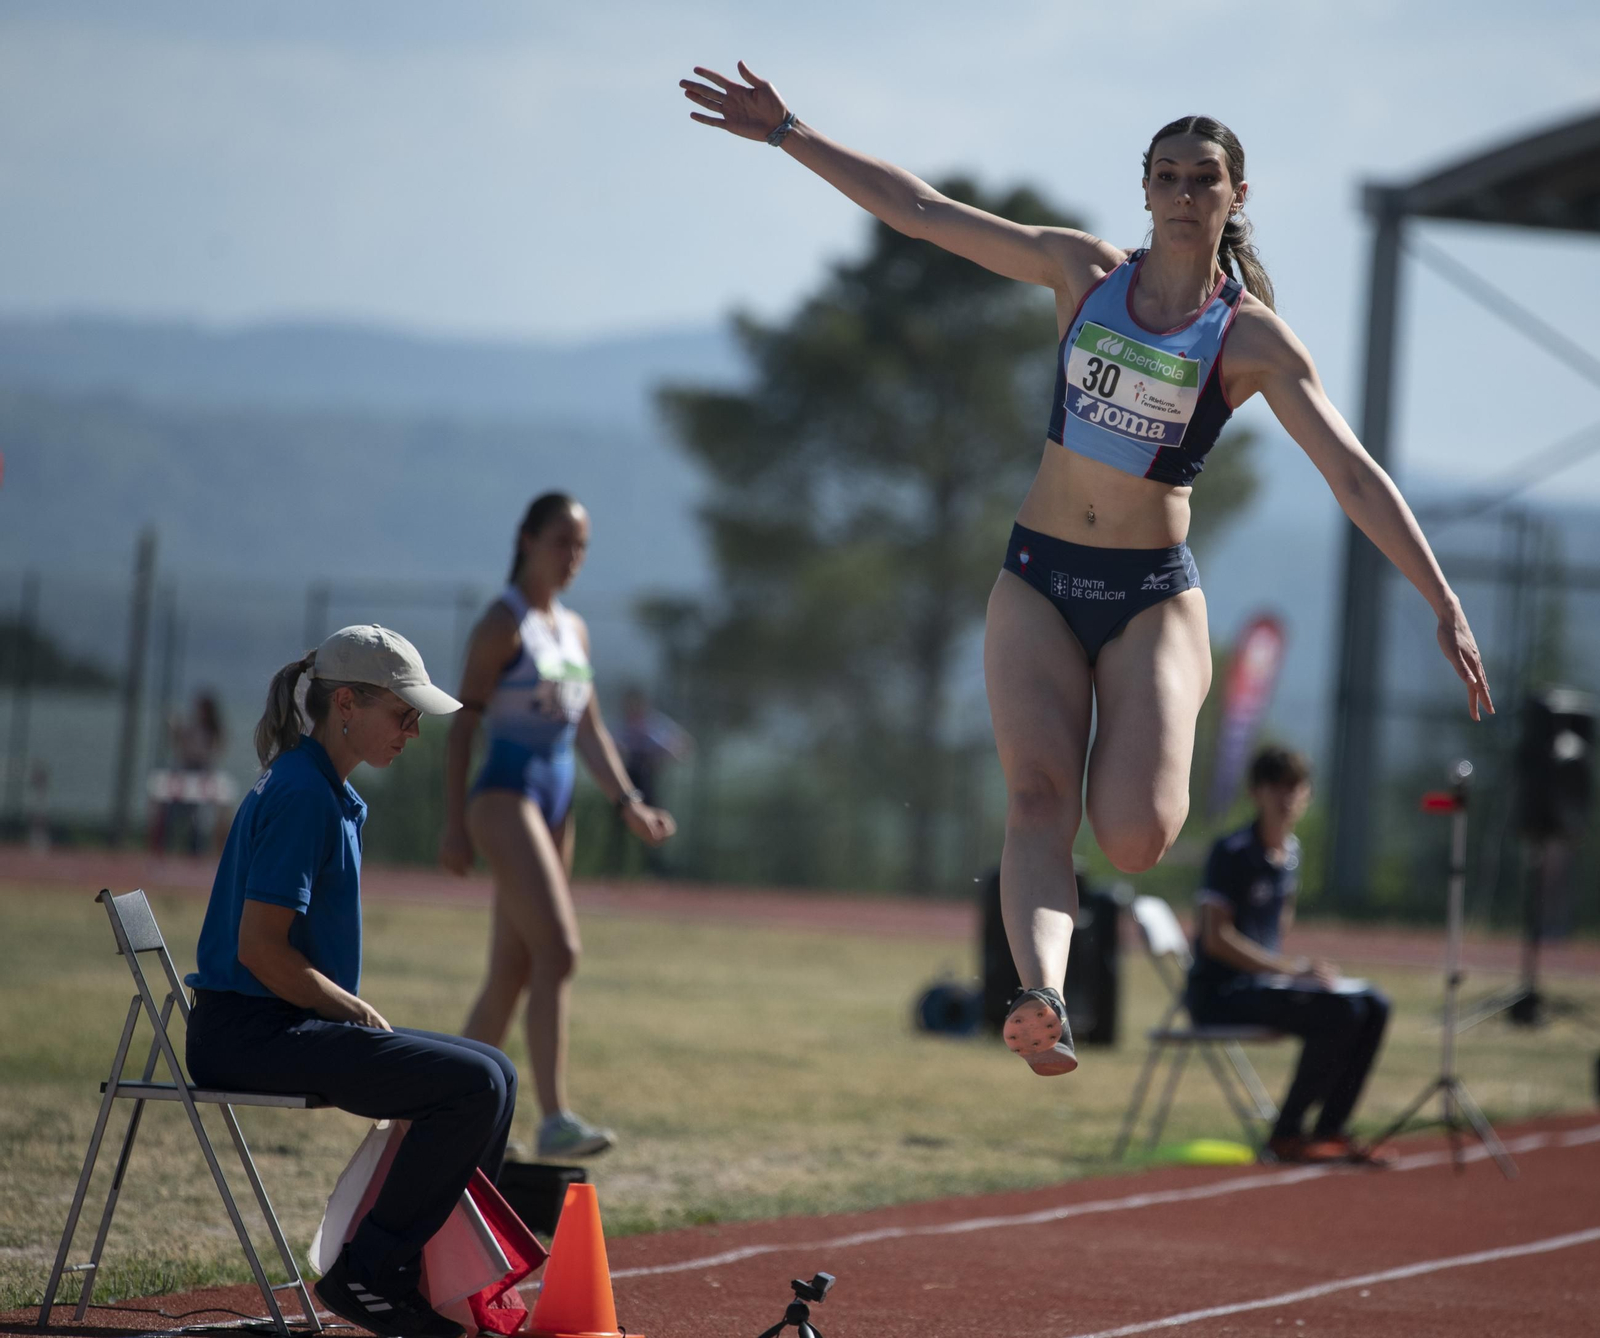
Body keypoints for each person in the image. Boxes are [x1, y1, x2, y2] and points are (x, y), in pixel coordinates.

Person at [679, 65, 1494, 1077]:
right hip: (1038, 578)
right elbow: (924, 212)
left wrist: (1442, 600)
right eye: (1168, 177)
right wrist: (788, 131)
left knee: (1136, 837)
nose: (1186, 194)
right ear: (1143, 191)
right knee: (1035, 799)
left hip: (1151, 596)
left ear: (1237, 197)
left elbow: (1354, 476)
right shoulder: (1082, 275)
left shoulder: (1249, 340)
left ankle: (1077, 925)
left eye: (1206, 179)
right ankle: (1043, 997)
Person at [184, 625, 515, 1338]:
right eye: (403, 714)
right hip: (250, 1033)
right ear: (345, 705)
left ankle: (425, 1274)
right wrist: (351, 1008)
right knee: (474, 1087)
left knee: (495, 1071)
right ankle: (371, 1275)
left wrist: (344, 1012)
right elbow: (261, 951)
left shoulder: (318, 784)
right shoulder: (305, 794)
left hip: (272, 1024)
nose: (413, 731)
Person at [442, 493, 676, 1158]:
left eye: (582, 546)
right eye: (561, 542)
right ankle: (553, 1117)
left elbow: (590, 729)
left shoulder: (572, 629)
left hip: (559, 804)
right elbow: (462, 727)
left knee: (512, 973)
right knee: (561, 952)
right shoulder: (501, 622)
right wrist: (454, 825)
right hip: (505, 798)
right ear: (526, 540)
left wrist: (628, 800)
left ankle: (438, 1111)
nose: (572, 557)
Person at [1186, 746, 1392, 1165]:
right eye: (1276, 786)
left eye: (1296, 787)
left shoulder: (1292, 853)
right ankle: (1286, 1134)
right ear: (1255, 793)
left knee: (1375, 1004)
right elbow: (1215, 939)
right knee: (1342, 1012)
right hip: (1221, 994)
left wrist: (1291, 974)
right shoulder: (1232, 851)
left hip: (1263, 985)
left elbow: (1278, 925)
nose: (1287, 797)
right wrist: (1291, 970)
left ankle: (1331, 1130)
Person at [610, 686, 693, 875]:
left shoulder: (654, 724)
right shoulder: (621, 724)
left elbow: (681, 745)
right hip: (626, 776)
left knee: (653, 819)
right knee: (620, 824)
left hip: (648, 776)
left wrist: (658, 755)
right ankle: (617, 867)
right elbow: (609, 744)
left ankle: (652, 867)